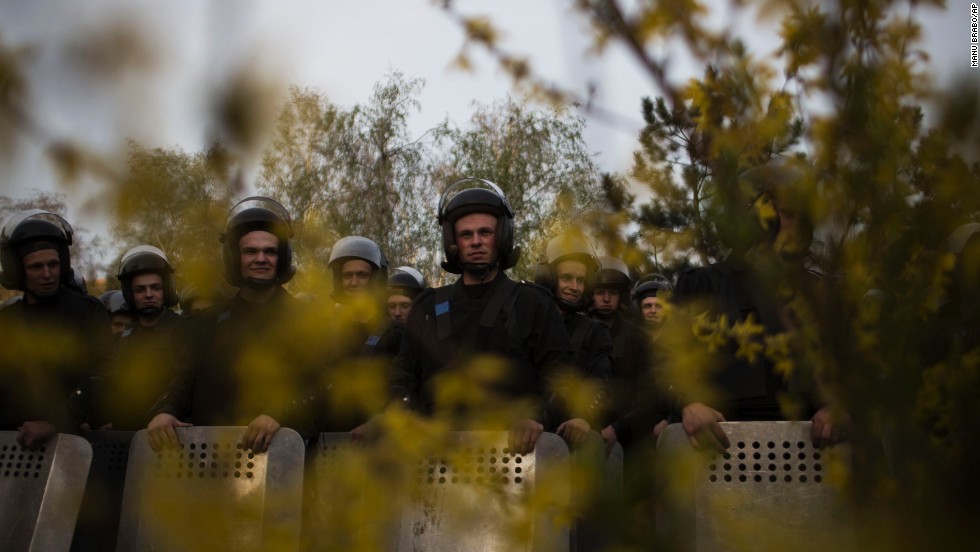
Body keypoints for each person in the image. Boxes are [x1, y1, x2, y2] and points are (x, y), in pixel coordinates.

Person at [389, 178, 575, 454]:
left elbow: (562, 376)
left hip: (514, 458)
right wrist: (409, 416)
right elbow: (402, 377)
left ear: (501, 237)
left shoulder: (532, 304)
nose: (476, 242)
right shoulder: (428, 307)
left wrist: (538, 417)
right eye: (466, 234)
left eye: (485, 232)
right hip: (434, 458)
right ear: (453, 242)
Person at [669, 160, 844, 451]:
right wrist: (689, 403)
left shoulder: (820, 294)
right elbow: (667, 363)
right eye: (787, 214)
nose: (797, 227)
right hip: (719, 450)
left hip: (810, 454)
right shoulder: (703, 285)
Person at [146, 197, 313, 453]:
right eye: (250, 251)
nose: (261, 259)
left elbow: (322, 385)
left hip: (285, 460)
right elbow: (184, 379)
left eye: (270, 251)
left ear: (282, 258)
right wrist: (165, 411)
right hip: (213, 462)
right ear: (235, 257)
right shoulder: (207, 322)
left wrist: (279, 415)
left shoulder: (306, 320)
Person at [0, 209, 110, 449]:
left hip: (69, 442)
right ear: (18, 271)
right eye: (36, 267)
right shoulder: (6, 321)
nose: (47, 274)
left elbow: (101, 375)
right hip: (10, 443)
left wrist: (57, 420)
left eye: (53, 264)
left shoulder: (87, 311)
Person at [533, 232, 611, 448]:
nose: (575, 287)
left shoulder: (595, 333)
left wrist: (585, 417)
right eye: (566, 278)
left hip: (571, 435)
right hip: (525, 430)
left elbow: (600, 381)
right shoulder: (525, 323)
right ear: (549, 278)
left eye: (580, 280)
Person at [99, 246, 185, 430]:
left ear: (166, 290)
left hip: (172, 432)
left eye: (155, 288)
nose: (148, 295)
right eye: (140, 289)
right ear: (130, 294)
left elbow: (187, 380)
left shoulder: (184, 329)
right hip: (128, 434)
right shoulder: (124, 337)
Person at [590, 256, 664, 453]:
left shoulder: (638, 338)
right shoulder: (577, 332)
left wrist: (618, 428)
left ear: (621, 295)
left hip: (629, 436)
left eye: (612, 292)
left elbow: (648, 394)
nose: (606, 299)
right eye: (600, 292)